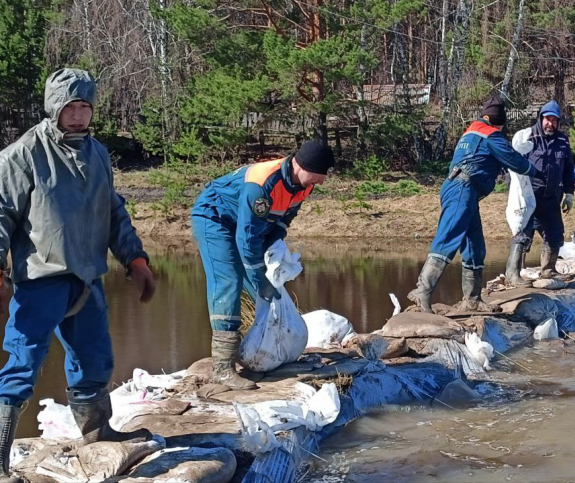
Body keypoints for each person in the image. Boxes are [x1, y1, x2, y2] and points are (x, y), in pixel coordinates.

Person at [0, 68, 157, 480]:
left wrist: (135, 259)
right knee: (22, 365)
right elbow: (0, 213)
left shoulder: (98, 154)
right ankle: (0, 461)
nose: (78, 114)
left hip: (87, 278)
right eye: (70, 106)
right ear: (54, 107)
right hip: (41, 280)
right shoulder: (23, 154)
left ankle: (97, 436)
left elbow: (113, 210)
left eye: (85, 106)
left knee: (95, 361)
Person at [191, 139, 333, 390]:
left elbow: (281, 222)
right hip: (215, 218)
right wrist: (261, 280)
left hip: (246, 224)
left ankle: (264, 348)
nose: (321, 182)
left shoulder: (303, 186)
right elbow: (247, 241)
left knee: (261, 285)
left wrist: (274, 253)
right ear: (303, 165)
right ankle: (223, 368)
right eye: (319, 175)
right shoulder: (262, 184)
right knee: (230, 280)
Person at [408, 96, 537, 313]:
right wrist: (534, 171)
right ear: (499, 121)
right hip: (462, 189)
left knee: (475, 245)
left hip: (464, 189)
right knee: (448, 238)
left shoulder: (471, 132)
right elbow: (514, 159)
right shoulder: (490, 135)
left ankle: (473, 299)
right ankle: (422, 291)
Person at [506, 100, 575, 285]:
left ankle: (548, 270)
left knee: (555, 234)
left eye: (554, 120)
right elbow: (513, 166)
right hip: (528, 197)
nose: (550, 124)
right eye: (547, 119)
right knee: (522, 234)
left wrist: (569, 193)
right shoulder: (527, 138)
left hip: (551, 198)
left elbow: (569, 168)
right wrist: (513, 196)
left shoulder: (562, 141)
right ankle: (513, 273)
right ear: (540, 118)